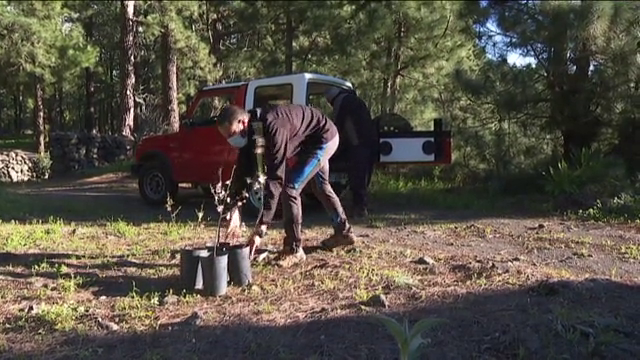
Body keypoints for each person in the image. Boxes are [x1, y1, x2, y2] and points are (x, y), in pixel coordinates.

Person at [216, 104, 357, 267]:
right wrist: (235, 207)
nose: (231, 140)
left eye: (232, 134)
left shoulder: (274, 125)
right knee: (320, 187)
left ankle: (294, 249)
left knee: (290, 188)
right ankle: (344, 233)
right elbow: (244, 168)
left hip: (322, 139)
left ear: (242, 122)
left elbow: (276, 178)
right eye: (227, 137)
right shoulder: (254, 130)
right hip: (306, 143)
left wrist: (261, 227)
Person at [324, 87, 377, 218]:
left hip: (357, 144)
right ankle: (362, 205)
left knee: (357, 176)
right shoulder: (357, 100)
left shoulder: (341, 102)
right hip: (370, 141)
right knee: (364, 175)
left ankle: (359, 208)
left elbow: (337, 125)